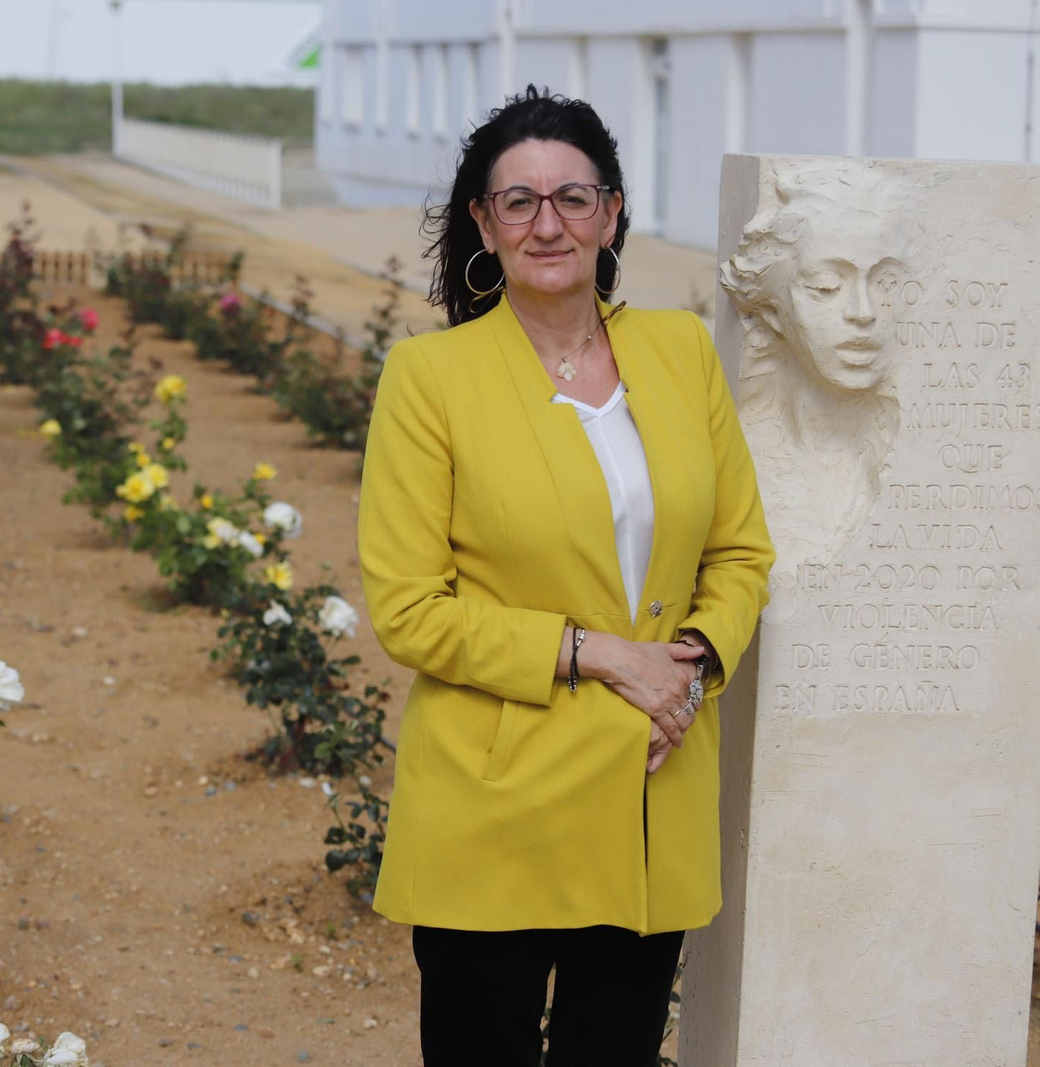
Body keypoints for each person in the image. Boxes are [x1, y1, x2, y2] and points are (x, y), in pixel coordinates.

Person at [357, 86, 775, 1065]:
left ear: (612, 212)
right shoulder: (429, 379)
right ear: (484, 223)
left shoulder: (681, 352)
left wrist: (687, 670)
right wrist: (606, 657)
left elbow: (739, 551)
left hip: (650, 785)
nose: (548, 224)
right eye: (519, 201)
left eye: (572, 198)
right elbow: (410, 609)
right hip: (494, 800)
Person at [721, 160, 914, 592]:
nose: (863, 312)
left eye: (887, 284)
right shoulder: (739, 462)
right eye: (827, 286)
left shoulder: (922, 455)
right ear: (773, 311)